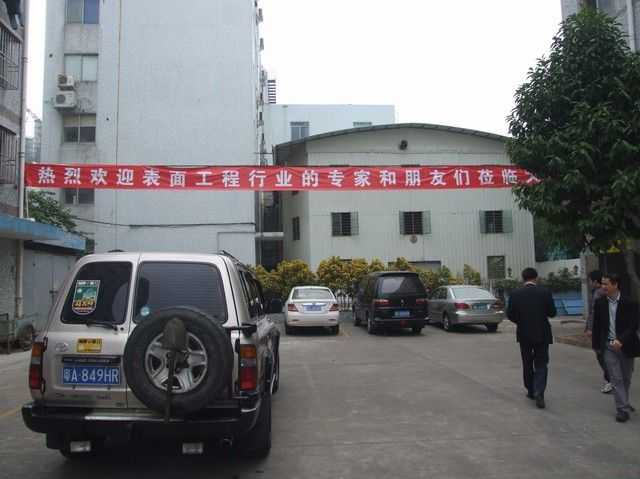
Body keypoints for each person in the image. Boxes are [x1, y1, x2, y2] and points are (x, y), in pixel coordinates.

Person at [592, 273, 640, 423]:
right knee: (616, 378)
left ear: (615, 285)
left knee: (626, 378)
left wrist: (621, 340)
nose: (603, 287)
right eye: (602, 283)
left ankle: (624, 401)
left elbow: (633, 325)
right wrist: (596, 345)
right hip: (608, 346)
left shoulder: (630, 303)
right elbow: (597, 325)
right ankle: (622, 409)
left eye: (606, 284)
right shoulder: (600, 303)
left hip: (626, 345)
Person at [507, 267, 557, 409]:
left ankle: (530, 389)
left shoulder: (515, 294)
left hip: (524, 333)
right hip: (542, 333)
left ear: (523, 278)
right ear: (536, 278)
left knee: (527, 362)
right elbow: (552, 312)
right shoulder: (545, 292)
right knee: (541, 363)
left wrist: (521, 321)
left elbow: (510, 314)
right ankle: (539, 391)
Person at [585, 270, 613, 394]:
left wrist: (590, 328)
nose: (589, 283)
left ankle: (610, 380)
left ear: (595, 281)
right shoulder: (602, 292)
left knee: (601, 354)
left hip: (600, 329)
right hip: (606, 328)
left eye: (590, 281)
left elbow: (593, 313)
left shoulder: (598, 294)